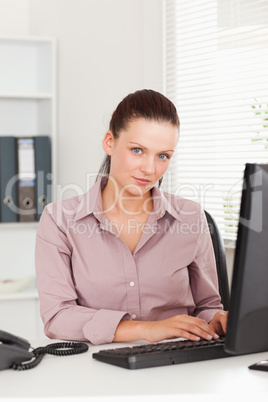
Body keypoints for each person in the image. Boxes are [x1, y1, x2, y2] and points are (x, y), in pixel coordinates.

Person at [35, 89, 228, 346]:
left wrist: (216, 319)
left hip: (178, 364)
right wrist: (147, 330)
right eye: (137, 150)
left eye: (163, 156)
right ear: (110, 143)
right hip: (95, 369)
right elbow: (57, 318)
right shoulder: (59, 220)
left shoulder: (191, 217)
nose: (150, 169)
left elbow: (206, 305)